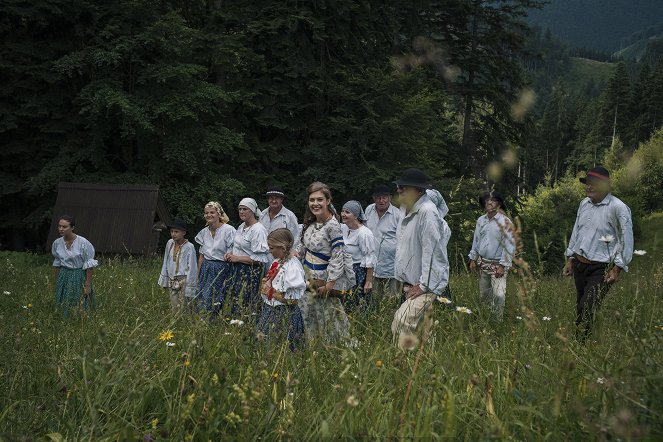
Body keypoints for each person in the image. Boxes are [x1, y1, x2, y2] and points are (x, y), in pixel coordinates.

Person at [562, 166, 633, 338]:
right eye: (587, 183)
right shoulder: (584, 204)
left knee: (586, 306)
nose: (588, 187)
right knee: (581, 304)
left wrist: (617, 268)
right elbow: (577, 231)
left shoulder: (618, 208)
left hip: (601, 268)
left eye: (593, 184)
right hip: (580, 264)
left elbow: (626, 239)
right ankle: (584, 342)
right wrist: (570, 258)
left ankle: (580, 345)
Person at [390, 169, 450, 348]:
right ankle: (427, 366)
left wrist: (424, 285)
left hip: (426, 283)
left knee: (401, 321)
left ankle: (400, 362)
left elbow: (433, 251)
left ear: (419, 191)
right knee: (423, 330)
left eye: (404, 187)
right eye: (399, 187)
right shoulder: (404, 209)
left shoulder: (428, 212)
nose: (399, 190)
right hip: (411, 281)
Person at [298, 182, 355, 344]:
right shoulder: (311, 223)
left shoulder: (333, 226)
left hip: (323, 281)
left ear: (328, 201)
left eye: (319, 199)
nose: (315, 203)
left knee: (328, 321)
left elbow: (338, 255)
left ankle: (332, 351)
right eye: (312, 200)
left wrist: (330, 285)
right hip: (307, 279)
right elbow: (303, 248)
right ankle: (312, 348)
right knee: (309, 317)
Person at [468, 191, 515, 321]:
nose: (489, 202)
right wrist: (473, 259)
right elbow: (476, 240)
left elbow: (509, 245)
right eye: (487, 200)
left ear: (498, 203)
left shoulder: (505, 221)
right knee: (484, 294)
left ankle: (497, 322)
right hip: (483, 263)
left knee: (499, 295)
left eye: (493, 200)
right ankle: (486, 319)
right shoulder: (480, 220)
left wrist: (502, 265)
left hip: (498, 265)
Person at [257, 228, 306, 350]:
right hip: (271, 309)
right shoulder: (278, 261)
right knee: (264, 345)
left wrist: (271, 292)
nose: (269, 250)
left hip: (284, 313)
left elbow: (293, 300)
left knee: (282, 347)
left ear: (283, 248)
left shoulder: (293, 268)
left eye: (272, 248)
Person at [224, 198, 270, 316]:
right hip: (237, 269)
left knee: (247, 302)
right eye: (240, 209)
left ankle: (248, 327)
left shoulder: (258, 230)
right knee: (235, 300)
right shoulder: (241, 227)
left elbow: (260, 260)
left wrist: (238, 258)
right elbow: (238, 248)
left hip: (251, 271)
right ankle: (236, 326)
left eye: (245, 209)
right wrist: (230, 254)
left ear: (253, 211)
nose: (241, 212)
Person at [51, 215, 98, 317]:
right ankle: (64, 318)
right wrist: (56, 281)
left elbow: (89, 264)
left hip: (78, 274)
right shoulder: (57, 243)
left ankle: (79, 318)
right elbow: (57, 264)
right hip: (64, 274)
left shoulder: (83, 243)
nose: (61, 229)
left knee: (78, 298)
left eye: (64, 227)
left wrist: (88, 284)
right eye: (59, 226)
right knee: (63, 299)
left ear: (72, 228)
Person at [195, 202, 235, 314]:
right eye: (206, 213)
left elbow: (232, 254)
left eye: (212, 212)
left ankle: (214, 322)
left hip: (221, 268)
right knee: (202, 295)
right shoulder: (203, 233)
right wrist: (198, 274)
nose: (209, 215)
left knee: (217, 297)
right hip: (206, 267)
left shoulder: (228, 230)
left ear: (219, 214)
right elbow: (201, 256)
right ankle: (203, 321)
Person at [365, 185, 403, 300]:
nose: (381, 201)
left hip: (391, 265)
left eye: (384, 197)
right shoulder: (368, 210)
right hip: (372, 266)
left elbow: (403, 239)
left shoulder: (398, 214)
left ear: (390, 198)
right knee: (374, 298)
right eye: (378, 197)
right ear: (373, 198)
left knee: (392, 298)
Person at [340, 200, 376, 312]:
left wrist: (368, 281)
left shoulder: (364, 233)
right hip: (344, 270)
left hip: (358, 271)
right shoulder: (343, 228)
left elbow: (369, 257)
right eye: (342, 211)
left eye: (347, 212)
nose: (343, 214)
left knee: (357, 301)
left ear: (355, 216)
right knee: (344, 300)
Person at [158, 219, 197, 313]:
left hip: (183, 280)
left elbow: (192, 267)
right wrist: (164, 280)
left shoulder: (189, 247)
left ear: (183, 232)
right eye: (171, 231)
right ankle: (175, 323)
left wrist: (190, 286)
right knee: (174, 305)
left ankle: (187, 324)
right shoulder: (169, 243)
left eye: (176, 231)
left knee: (185, 306)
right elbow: (166, 261)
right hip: (172, 279)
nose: (173, 234)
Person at [259, 185, 300, 258]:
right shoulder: (262, 215)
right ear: (267, 199)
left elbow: (295, 238)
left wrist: (290, 255)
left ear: (281, 199)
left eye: (276, 198)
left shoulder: (290, 217)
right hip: (263, 256)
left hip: (280, 257)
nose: (274, 201)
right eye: (271, 198)